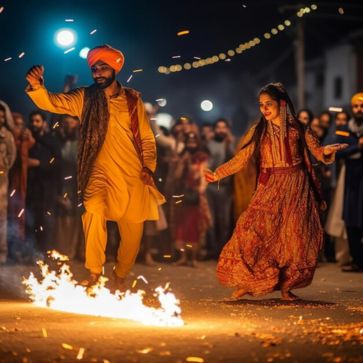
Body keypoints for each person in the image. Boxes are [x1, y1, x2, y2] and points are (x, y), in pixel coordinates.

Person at [25, 44, 165, 290]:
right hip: (98, 170)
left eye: (103, 67)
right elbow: (54, 103)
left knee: (132, 233)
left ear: (115, 68)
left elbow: (146, 138)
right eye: (94, 68)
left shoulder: (133, 99)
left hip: (133, 174)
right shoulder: (84, 97)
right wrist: (38, 88)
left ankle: (120, 275)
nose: (98, 72)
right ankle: (94, 272)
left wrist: (149, 167)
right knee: (92, 209)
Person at [204, 83, 347, 301]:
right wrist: (217, 174)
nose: (264, 109)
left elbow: (316, 152)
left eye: (268, 104)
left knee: (293, 239)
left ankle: (286, 288)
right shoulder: (258, 130)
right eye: (261, 105)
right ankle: (248, 282)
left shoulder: (298, 128)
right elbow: (242, 158)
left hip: (296, 187)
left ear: (281, 104)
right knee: (250, 230)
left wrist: (326, 151)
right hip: (269, 187)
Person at [26, 110, 62, 258]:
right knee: (31, 221)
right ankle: (32, 252)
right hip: (32, 189)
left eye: (37, 121)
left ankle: (46, 253)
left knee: (47, 222)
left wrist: (39, 163)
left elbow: (58, 162)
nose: (35, 124)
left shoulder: (51, 140)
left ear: (43, 123)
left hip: (48, 189)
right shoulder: (28, 140)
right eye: (33, 121)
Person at [173, 132, 211, 267]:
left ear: (198, 144)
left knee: (195, 226)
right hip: (182, 194)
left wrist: (200, 191)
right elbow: (177, 176)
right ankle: (183, 257)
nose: (191, 145)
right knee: (181, 227)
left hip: (196, 195)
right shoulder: (183, 157)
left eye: (194, 142)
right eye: (189, 142)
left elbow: (203, 174)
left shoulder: (201, 157)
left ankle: (193, 258)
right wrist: (182, 162)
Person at [337, 93, 363, 272]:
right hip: (351, 181)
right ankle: (357, 260)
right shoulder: (344, 129)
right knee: (351, 219)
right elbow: (337, 153)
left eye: (361, 106)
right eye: (355, 106)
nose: (359, 110)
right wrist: (357, 147)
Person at [206, 118, 236, 258]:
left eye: (224, 127)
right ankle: (213, 250)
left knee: (224, 220)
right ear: (214, 129)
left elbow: (234, 161)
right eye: (218, 127)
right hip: (210, 187)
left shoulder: (231, 144)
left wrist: (230, 144)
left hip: (225, 188)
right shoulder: (208, 144)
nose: (221, 130)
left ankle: (223, 251)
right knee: (211, 220)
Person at [7, 112, 35, 260]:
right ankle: (10, 250)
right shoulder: (11, 142)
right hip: (10, 184)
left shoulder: (26, 141)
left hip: (25, 185)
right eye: (15, 125)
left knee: (22, 217)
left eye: (21, 125)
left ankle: (20, 249)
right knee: (11, 216)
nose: (19, 129)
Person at [0, 101, 16, 264]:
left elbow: (12, 157)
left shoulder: (7, 136)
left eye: (3, 117)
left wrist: (3, 167)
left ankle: (2, 253)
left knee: (1, 218)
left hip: (1, 181)